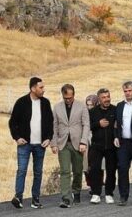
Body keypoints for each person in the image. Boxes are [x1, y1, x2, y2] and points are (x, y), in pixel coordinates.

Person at [9, 76, 53, 209]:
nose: (43, 90)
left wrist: (48, 138)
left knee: (38, 172)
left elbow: (50, 122)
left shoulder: (45, 103)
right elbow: (12, 122)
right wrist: (17, 138)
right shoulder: (21, 102)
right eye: (41, 87)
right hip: (25, 144)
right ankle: (18, 197)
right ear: (33, 88)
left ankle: (36, 199)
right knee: (21, 170)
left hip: (40, 144)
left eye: (43, 87)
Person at [51, 84, 90, 208]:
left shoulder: (82, 106)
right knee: (65, 171)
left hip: (78, 143)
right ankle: (65, 197)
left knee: (78, 170)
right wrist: (54, 143)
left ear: (73, 95)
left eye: (70, 97)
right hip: (63, 144)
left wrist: (84, 142)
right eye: (65, 98)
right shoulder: (57, 107)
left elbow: (86, 125)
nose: (68, 100)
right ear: (62, 95)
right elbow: (54, 127)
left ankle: (76, 190)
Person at [87, 88, 117, 204]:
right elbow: (88, 126)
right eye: (104, 97)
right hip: (96, 145)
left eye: (108, 97)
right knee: (94, 170)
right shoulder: (93, 111)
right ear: (99, 99)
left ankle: (109, 193)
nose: (107, 99)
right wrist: (98, 124)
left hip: (111, 146)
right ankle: (96, 193)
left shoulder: (115, 110)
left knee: (111, 170)